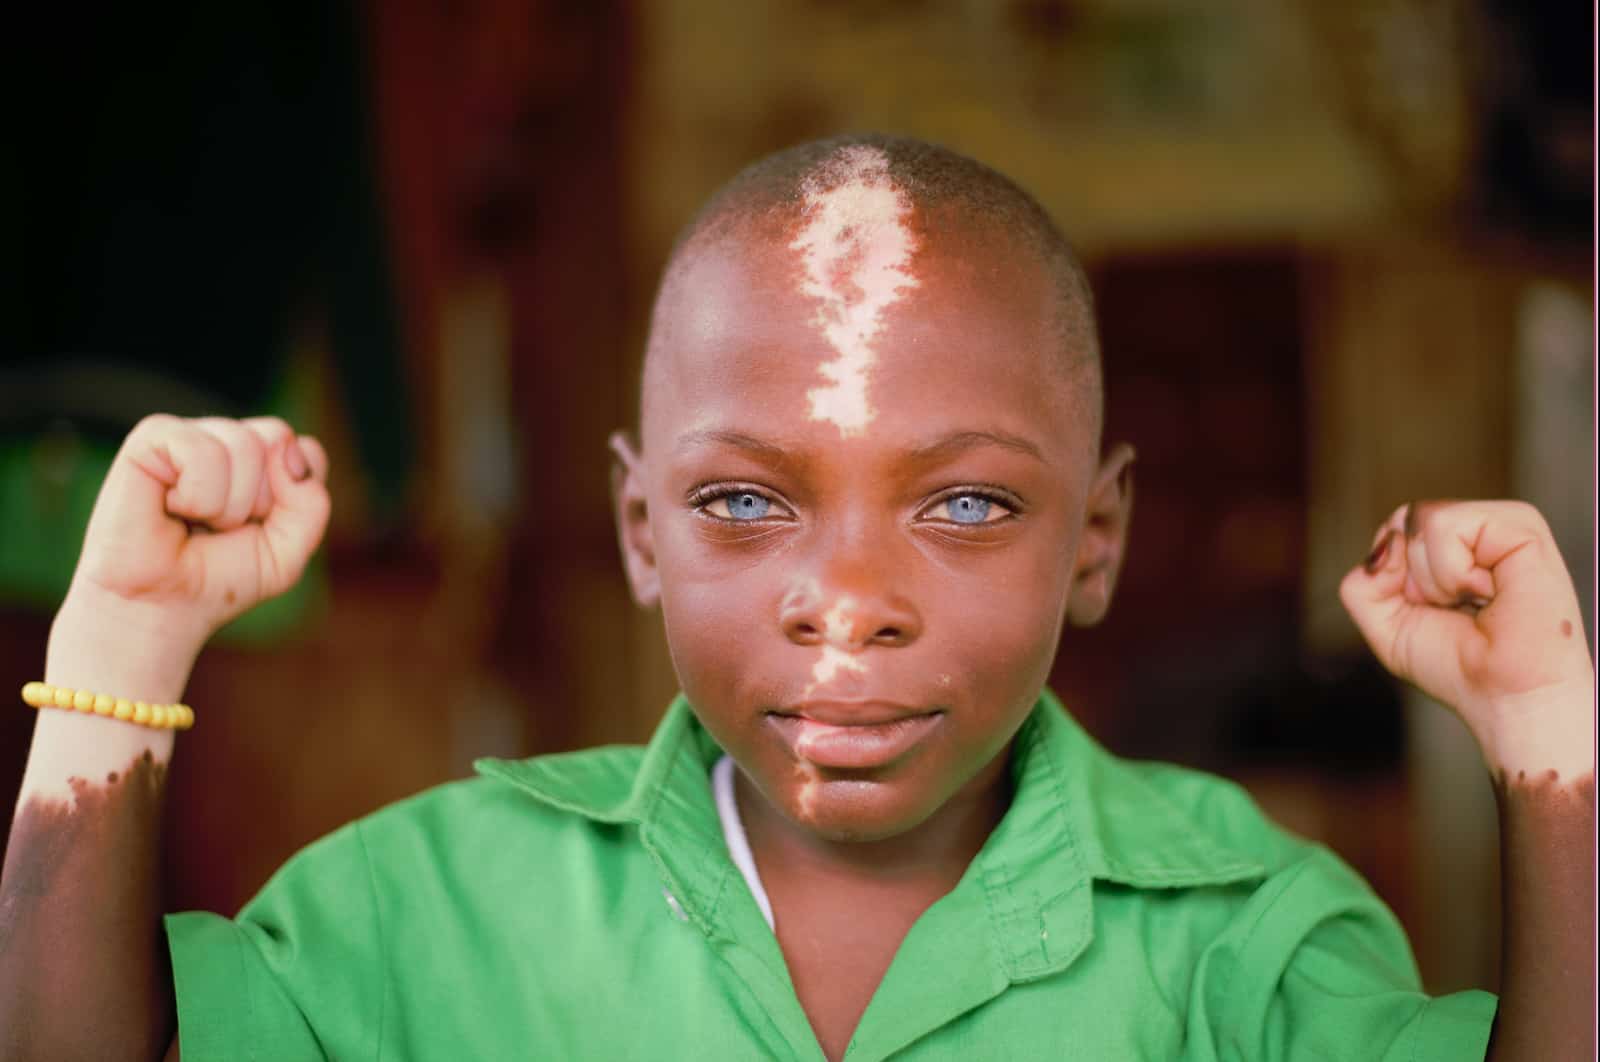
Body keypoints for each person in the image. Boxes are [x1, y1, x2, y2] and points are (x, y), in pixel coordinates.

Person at [2, 134, 1592, 1062]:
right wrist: (119, 641)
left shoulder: (1240, 941)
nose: (845, 603)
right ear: (640, 529)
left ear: (1094, 538)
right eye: (743, 502)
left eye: (967, 503)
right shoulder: (436, 910)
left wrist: (1548, 742)